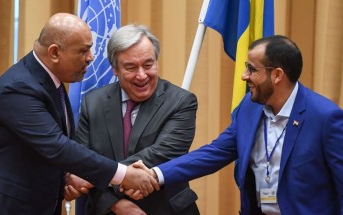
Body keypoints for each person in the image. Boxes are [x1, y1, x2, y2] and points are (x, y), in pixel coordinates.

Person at [134, 35, 343, 215]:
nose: (244, 76)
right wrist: (155, 174)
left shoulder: (325, 118)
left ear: (277, 75)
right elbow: (214, 153)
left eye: (252, 69)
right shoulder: (250, 107)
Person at [0, 13, 158, 215]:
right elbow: (57, 147)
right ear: (54, 53)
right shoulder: (19, 88)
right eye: (83, 50)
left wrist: (66, 176)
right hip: (5, 207)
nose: (91, 57)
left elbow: (40, 150)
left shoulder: (52, 81)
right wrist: (124, 174)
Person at [66, 24, 200, 215]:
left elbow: (161, 155)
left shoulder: (181, 102)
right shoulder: (93, 102)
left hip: (165, 209)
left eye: (148, 64)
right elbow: (83, 161)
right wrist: (115, 204)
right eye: (130, 67)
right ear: (115, 69)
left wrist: (92, 177)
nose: (142, 75)